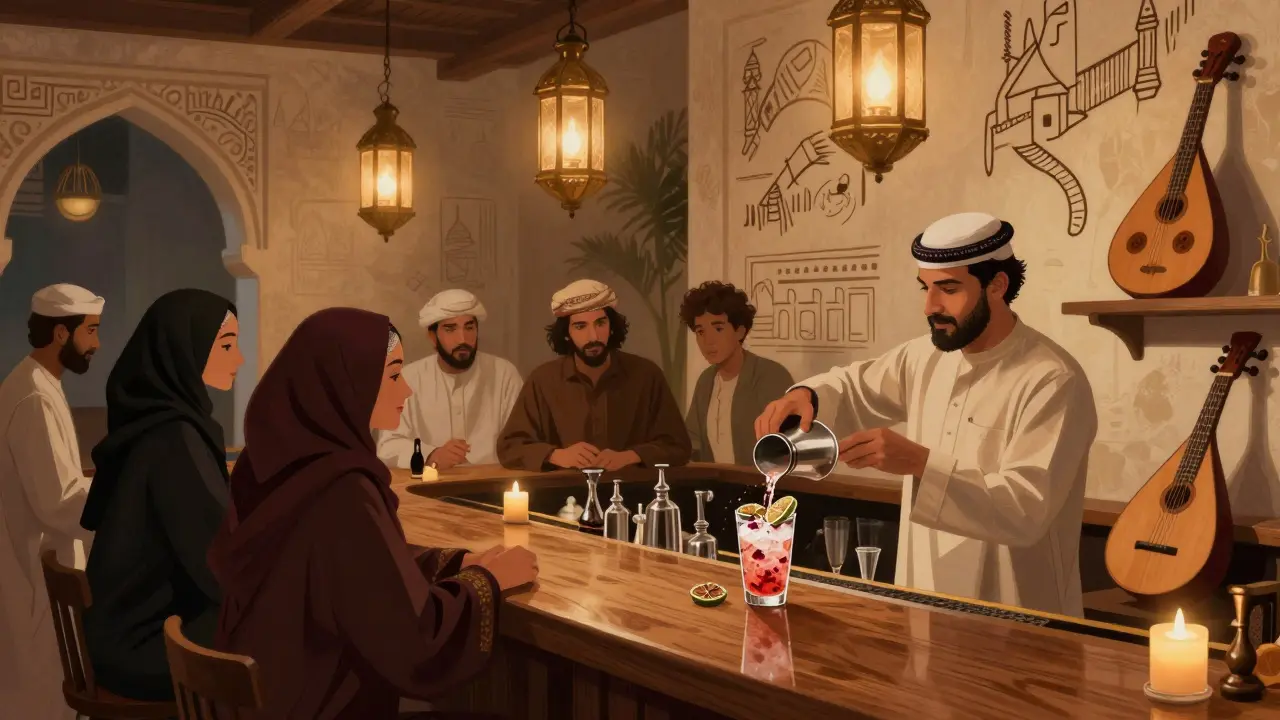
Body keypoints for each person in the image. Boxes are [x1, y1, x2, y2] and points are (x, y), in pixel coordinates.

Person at [755, 212, 1097, 616]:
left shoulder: (1053, 380)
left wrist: (920, 463)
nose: (930, 306)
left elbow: (1026, 510)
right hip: (923, 603)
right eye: (926, 288)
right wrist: (807, 394)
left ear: (997, 285)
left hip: (1017, 614)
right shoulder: (924, 357)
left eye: (948, 289)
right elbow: (853, 387)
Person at [208, 307, 538, 719]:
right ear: (349, 382)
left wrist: (454, 563)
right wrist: (489, 581)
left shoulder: (273, 464)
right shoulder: (342, 489)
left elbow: (357, 568)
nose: (406, 391)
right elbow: (417, 642)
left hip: (267, 698)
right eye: (394, 375)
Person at [79, 289, 243, 701]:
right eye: (227, 345)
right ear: (185, 350)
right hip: (142, 644)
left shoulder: (156, 423)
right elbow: (217, 559)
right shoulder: (175, 438)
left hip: (121, 629)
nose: (239, 359)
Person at [0, 283, 104, 719]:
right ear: (62, 332)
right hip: (32, 575)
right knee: (41, 699)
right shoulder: (35, 397)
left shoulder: (38, 381)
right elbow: (58, 503)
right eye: (91, 331)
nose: (97, 344)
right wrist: (120, 492)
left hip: (34, 566)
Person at [497, 279, 691, 471]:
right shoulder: (543, 380)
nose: (593, 337)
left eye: (600, 323)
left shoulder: (646, 375)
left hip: (631, 489)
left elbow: (678, 446)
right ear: (566, 333)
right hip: (564, 490)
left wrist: (631, 456)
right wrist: (556, 455)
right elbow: (510, 447)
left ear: (612, 326)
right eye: (580, 326)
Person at [377, 289, 523, 470]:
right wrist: (431, 455)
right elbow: (387, 447)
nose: (462, 339)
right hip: (431, 484)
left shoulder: (504, 375)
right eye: (450, 329)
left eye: (469, 327)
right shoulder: (407, 379)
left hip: (494, 483)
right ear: (433, 337)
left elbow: (521, 441)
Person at [680, 281, 793, 465]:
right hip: (715, 480)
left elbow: (786, 447)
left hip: (764, 480)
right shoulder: (706, 380)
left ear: (739, 331)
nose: (708, 341)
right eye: (700, 332)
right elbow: (692, 442)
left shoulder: (771, 375)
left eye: (718, 329)